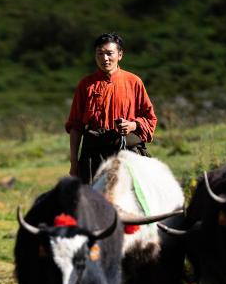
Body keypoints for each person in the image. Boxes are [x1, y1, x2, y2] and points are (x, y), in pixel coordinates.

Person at [65, 32, 158, 183]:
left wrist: (132, 125)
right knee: (92, 197)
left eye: (109, 53)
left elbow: (150, 118)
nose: (105, 58)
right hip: (94, 159)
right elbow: (76, 126)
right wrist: (74, 163)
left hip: (127, 155)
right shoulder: (85, 85)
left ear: (120, 55)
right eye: (100, 53)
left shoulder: (134, 82)